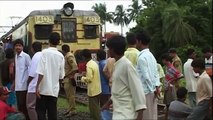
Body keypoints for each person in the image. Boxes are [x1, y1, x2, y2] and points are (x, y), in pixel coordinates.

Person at [102, 35, 147, 119]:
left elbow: (138, 90)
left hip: (126, 114)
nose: (107, 51)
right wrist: (108, 104)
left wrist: (140, 115)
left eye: (108, 49)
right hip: (118, 112)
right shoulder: (117, 64)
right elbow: (119, 89)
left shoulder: (127, 66)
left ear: (113, 49)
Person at [36, 32, 65, 120]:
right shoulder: (61, 56)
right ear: (59, 42)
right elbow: (61, 76)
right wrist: (57, 87)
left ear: (49, 41)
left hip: (43, 90)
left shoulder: (44, 53)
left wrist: (36, 86)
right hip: (54, 91)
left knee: (41, 112)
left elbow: (41, 72)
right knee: (52, 113)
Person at [136, 31, 160, 120]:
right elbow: (155, 73)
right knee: (152, 115)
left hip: (146, 91)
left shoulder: (142, 57)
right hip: (152, 89)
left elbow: (146, 76)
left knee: (146, 116)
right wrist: (157, 86)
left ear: (140, 42)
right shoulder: (151, 56)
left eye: (137, 41)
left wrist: (152, 89)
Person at [81, 49, 102, 120]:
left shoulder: (89, 65)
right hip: (97, 89)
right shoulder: (94, 63)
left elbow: (89, 79)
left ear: (84, 57)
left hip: (93, 91)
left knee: (94, 110)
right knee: (95, 107)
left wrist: (82, 78)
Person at [162, 53, 183, 120]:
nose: (162, 61)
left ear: (165, 60)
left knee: (170, 104)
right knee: (167, 104)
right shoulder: (167, 68)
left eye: (163, 60)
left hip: (170, 88)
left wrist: (173, 80)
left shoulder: (171, 68)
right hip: (167, 87)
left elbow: (180, 75)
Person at [14, 39, 31, 120]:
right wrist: (14, 83)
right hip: (17, 86)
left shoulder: (26, 56)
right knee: (19, 105)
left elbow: (31, 69)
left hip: (24, 85)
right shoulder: (15, 57)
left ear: (22, 47)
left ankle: (26, 118)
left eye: (19, 46)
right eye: (16, 46)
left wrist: (28, 81)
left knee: (23, 104)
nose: (18, 47)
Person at [26, 42, 42, 120]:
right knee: (39, 107)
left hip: (33, 86)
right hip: (41, 85)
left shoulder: (35, 56)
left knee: (30, 106)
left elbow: (32, 73)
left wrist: (27, 82)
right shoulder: (42, 55)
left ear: (32, 49)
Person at [61, 44, 78, 117]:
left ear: (63, 50)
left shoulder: (69, 56)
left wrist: (67, 74)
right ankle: (70, 108)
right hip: (66, 79)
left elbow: (75, 68)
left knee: (71, 96)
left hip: (68, 79)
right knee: (68, 95)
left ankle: (73, 110)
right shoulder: (67, 56)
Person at [96, 49, 112, 120]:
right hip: (106, 87)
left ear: (97, 57)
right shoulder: (104, 62)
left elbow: (106, 75)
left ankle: (105, 117)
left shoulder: (102, 64)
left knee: (104, 104)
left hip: (104, 88)